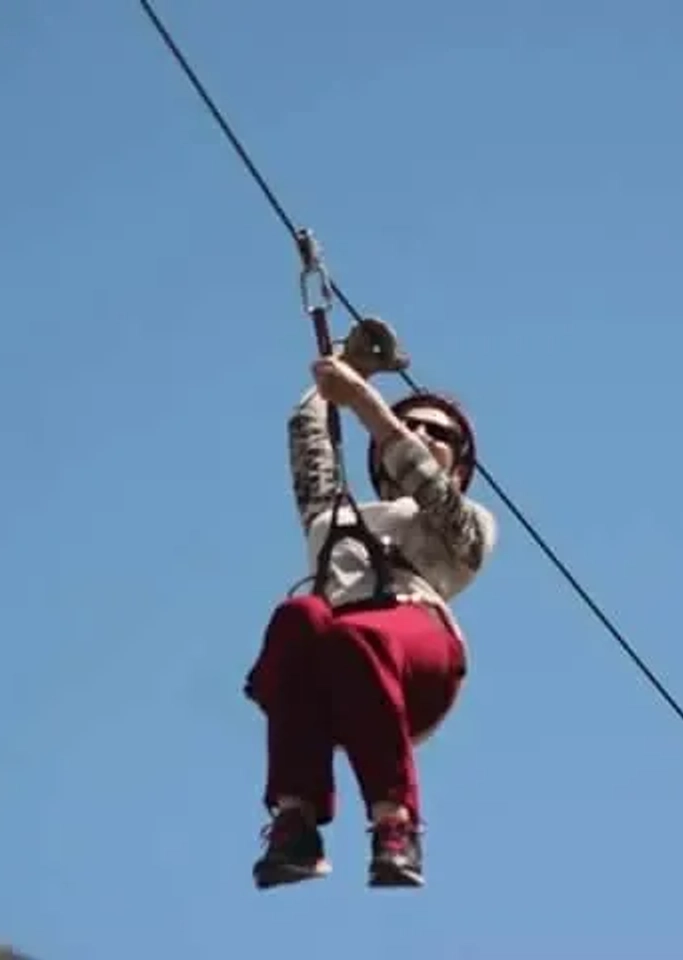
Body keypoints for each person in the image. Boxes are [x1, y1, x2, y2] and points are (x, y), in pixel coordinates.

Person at [242, 319, 497, 890]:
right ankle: (296, 822)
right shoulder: (332, 517)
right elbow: (308, 434)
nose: (419, 433)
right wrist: (345, 367)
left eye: (437, 433)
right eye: (410, 425)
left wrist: (364, 403)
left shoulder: (466, 522)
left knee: (358, 635)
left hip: (414, 658)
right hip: (335, 671)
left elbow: (429, 486)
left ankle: (395, 824)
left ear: (459, 467)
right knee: (299, 616)